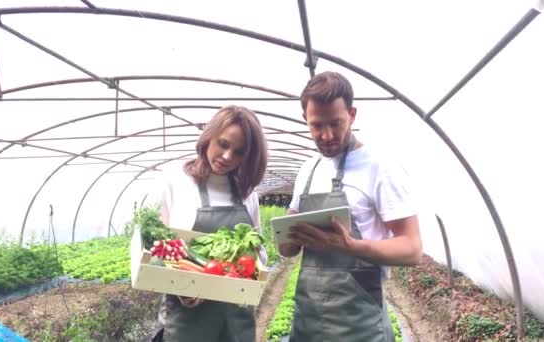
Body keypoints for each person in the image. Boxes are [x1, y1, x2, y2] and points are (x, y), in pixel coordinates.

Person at [280, 71, 423, 342]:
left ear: (353, 114)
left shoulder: (379, 167)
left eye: (336, 123)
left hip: (358, 324)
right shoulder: (309, 169)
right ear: (305, 120)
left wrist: (350, 247)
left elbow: (412, 248)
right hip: (307, 322)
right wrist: (286, 238)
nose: (327, 135)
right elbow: (287, 248)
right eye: (317, 125)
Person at [153, 105, 268, 342]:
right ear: (209, 136)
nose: (227, 157)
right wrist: (180, 286)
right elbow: (154, 249)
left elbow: (260, 251)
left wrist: (251, 270)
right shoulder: (175, 182)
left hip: (237, 322)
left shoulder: (248, 193)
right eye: (223, 144)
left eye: (238, 152)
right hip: (188, 320)